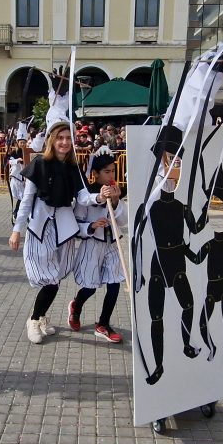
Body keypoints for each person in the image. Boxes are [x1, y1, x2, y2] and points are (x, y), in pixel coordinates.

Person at [9, 91, 113, 345]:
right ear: (52, 140)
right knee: (49, 280)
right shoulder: (39, 164)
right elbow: (27, 201)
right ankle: (34, 320)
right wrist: (17, 230)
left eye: (68, 138)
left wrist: (99, 198)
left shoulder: (72, 168)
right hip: (41, 228)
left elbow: (82, 196)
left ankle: (41, 316)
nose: (65, 142)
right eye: (61, 138)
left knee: (55, 279)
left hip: (64, 229)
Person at [68, 145, 126, 343]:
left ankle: (103, 324)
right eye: (107, 171)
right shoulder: (86, 196)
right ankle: (76, 306)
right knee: (90, 287)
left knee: (114, 284)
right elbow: (77, 223)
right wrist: (92, 226)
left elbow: (124, 221)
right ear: (96, 173)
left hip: (112, 244)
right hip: (92, 245)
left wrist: (117, 202)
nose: (111, 175)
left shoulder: (117, 192)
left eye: (113, 171)